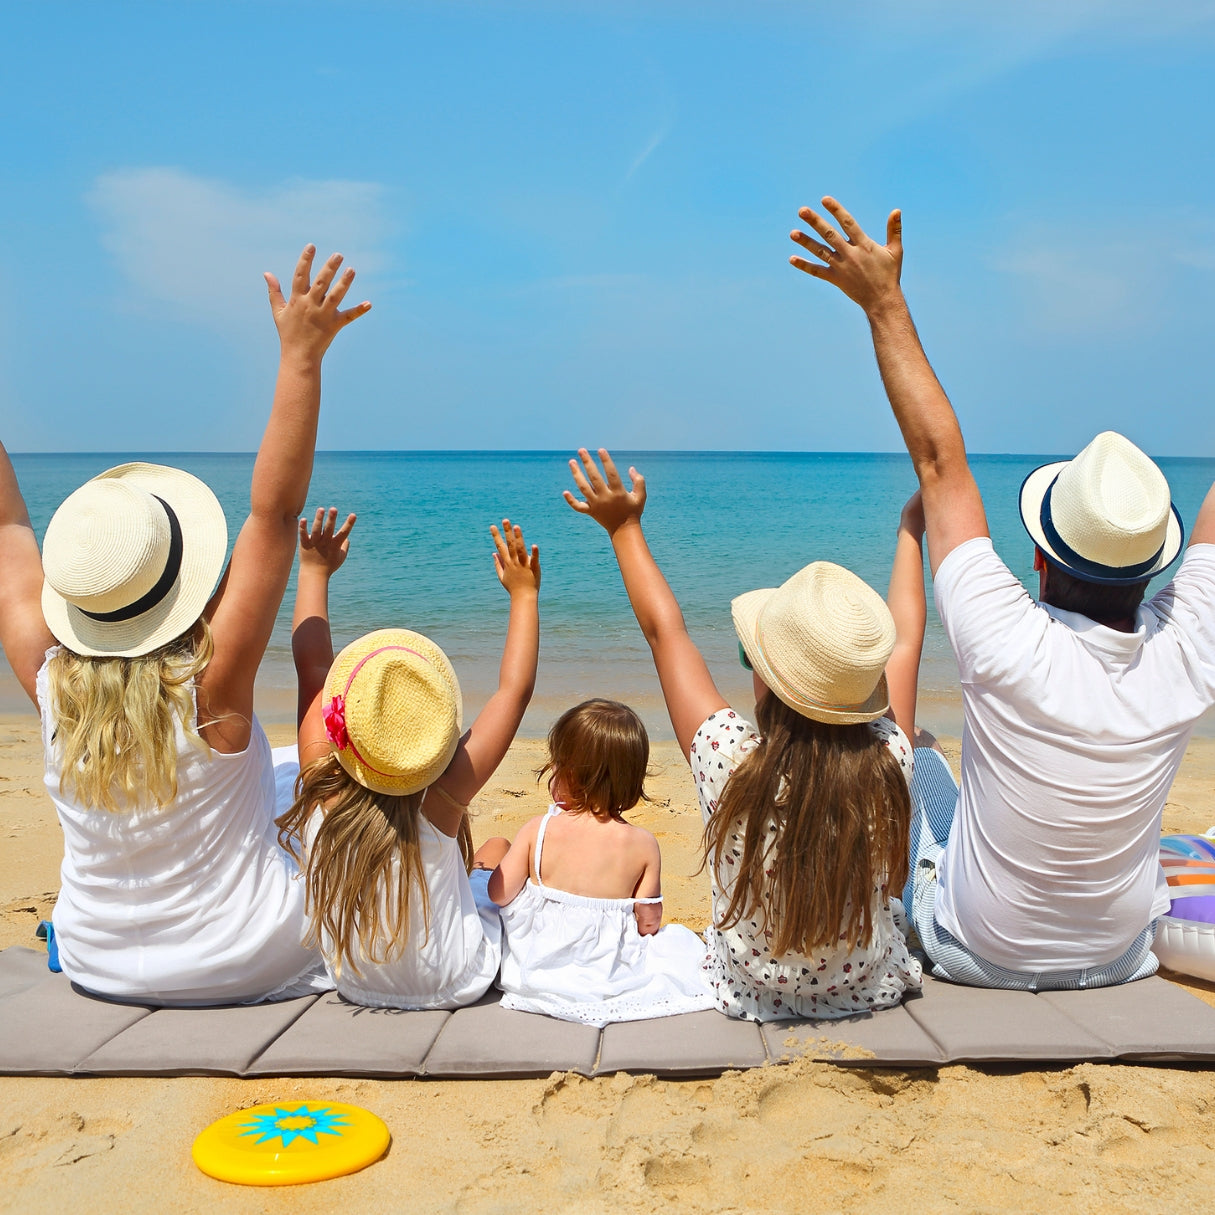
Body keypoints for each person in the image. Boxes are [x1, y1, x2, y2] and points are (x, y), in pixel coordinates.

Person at [790, 196, 1215, 989]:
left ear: (1041, 560)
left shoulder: (1005, 638)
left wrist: (882, 301)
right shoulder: (1193, 647)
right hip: (1118, 958)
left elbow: (939, 461)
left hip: (973, 955)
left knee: (917, 764)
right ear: (1156, 565)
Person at [0, 246, 369, 1005]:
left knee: (279, 776)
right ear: (181, 576)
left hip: (97, 961)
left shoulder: (48, 680)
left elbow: (8, 538)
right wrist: (302, 357)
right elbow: (273, 512)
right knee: (319, 783)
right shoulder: (211, 684)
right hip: (238, 957)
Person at [564, 450, 921, 1021]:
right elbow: (905, 644)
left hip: (747, 991)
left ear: (766, 681)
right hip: (867, 988)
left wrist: (624, 529)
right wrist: (911, 532)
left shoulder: (729, 760)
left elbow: (666, 634)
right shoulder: (889, 756)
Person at [277, 508, 540, 1009]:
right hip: (458, 980)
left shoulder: (323, 789)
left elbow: (312, 670)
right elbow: (515, 691)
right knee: (498, 847)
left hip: (355, 983)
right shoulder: (442, 799)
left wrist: (312, 572)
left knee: (480, 856)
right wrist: (524, 595)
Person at [486, 698, 715, 1026]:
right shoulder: (643, 845)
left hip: (535, 970)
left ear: (569, 773)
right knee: (678, 947)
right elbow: (648, 921)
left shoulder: (540, 829)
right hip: (606, 973)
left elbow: (499, 894)